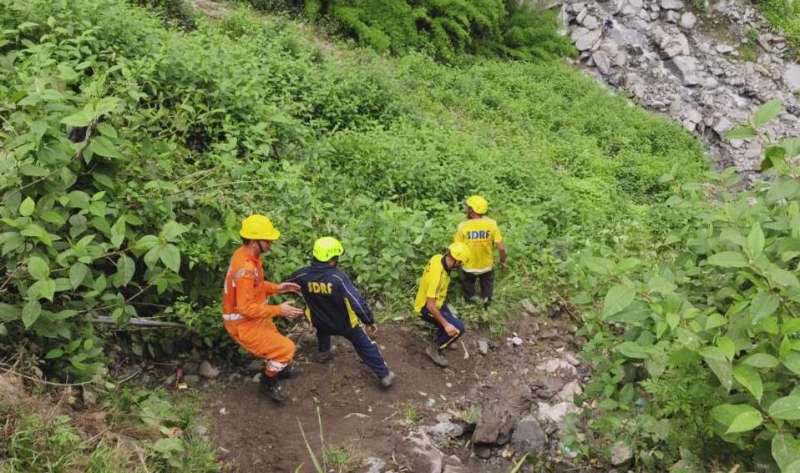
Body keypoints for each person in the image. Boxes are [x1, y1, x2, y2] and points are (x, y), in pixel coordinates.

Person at [285, 237, 395, 388]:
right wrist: (368, 321)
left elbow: (285, 285)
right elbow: (356, 302)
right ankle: (384, 374)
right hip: (345, 324)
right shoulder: (338, 277)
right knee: (365, 345)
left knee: (322, 330)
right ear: (332, 259)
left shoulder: (302, 275)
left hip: (319, 320)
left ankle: (324, 353)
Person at [222, 214, 305, 403]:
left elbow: (255, 286)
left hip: (254, 317)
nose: (271, 244)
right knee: (286, 349)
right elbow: (245, 308)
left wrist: (278, 288)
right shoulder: (246, 268)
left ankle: (279, 368)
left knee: (276, 343)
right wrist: (279, 310)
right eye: (267, 240)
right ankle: (268, 383)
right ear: (254, 241)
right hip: (244, 324)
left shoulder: (244, 255)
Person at [414, 242, 470, 367]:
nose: (460, 266)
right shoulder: (438, 277)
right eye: (461, 263)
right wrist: (446, 325)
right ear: (456, 261)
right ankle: (434, 349)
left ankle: (444, 337)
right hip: (425, 307)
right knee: (458, 329)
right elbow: (430, 306)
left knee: (452, 321)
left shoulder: (438, 258)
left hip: (436, 302)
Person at [453, 195, 507, 308]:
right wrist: (503, 262)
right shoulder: (492, 224)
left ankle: (471, 301)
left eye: (467, 207)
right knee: (487, 288)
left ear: (472, 210)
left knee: (468, 286)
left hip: (468, 267)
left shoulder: (463, 226)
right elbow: (501, 248)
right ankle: (486, 303)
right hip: (487, 266)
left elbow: (457, 248)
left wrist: (455, 265)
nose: (466, 209)